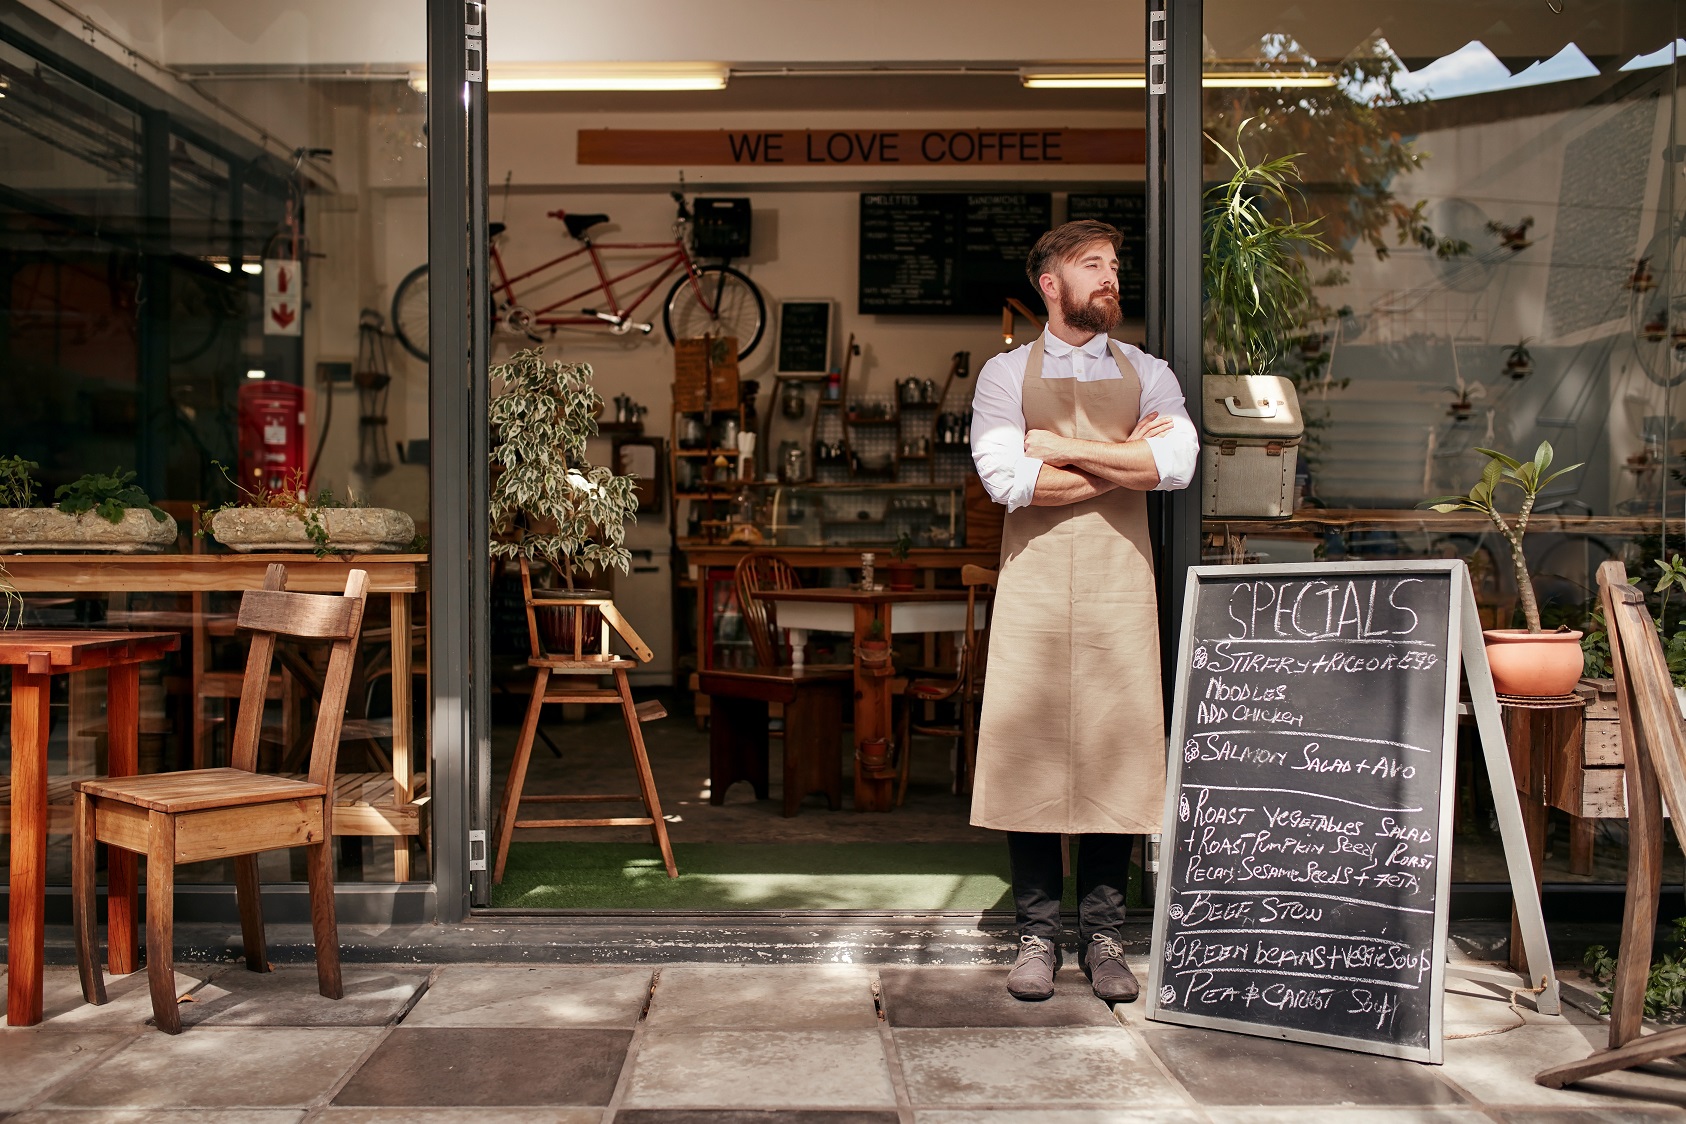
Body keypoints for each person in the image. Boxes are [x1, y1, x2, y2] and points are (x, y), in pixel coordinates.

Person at [969, 219, 1198, 1002]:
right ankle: (1036, 932)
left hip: (1118, 586)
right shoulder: (1002, 376)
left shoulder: (1150, 371)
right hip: (1033, 584)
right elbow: (1009, 482)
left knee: (1119, 749)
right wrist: (1124, 461)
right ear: (1050, 285)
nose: (1109, 277)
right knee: (1029, 752)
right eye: (1090, 265)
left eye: (1113, 264)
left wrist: (1060, 450)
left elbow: (1177, 462)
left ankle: (1104, 934)